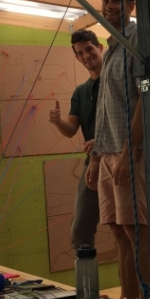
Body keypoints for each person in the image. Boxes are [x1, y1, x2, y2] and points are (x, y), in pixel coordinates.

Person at [86, 0, 150, 299]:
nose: (108, 6)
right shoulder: (112, 46)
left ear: (131, 5)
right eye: (104, 1)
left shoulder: (137, 39)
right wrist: (97, 156)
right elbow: (107, 108)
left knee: (137, 232)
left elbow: (145, 96)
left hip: (128, 153)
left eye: (115, 0)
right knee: (117, 231)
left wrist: (128, 152)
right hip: (108, 154)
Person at [49, 29, 104, 250]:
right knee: (80, 231)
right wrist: (57, 121)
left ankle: (135, 284)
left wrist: (101, 145)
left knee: (125, 228)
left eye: (89, 49)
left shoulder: (116, 82)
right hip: (92, 164)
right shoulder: (80, 92)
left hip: (120, 159)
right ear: (77, 57)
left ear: (100, 48)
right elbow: (71, 130)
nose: (86, 56)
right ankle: (88, 285)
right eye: (80, 53)